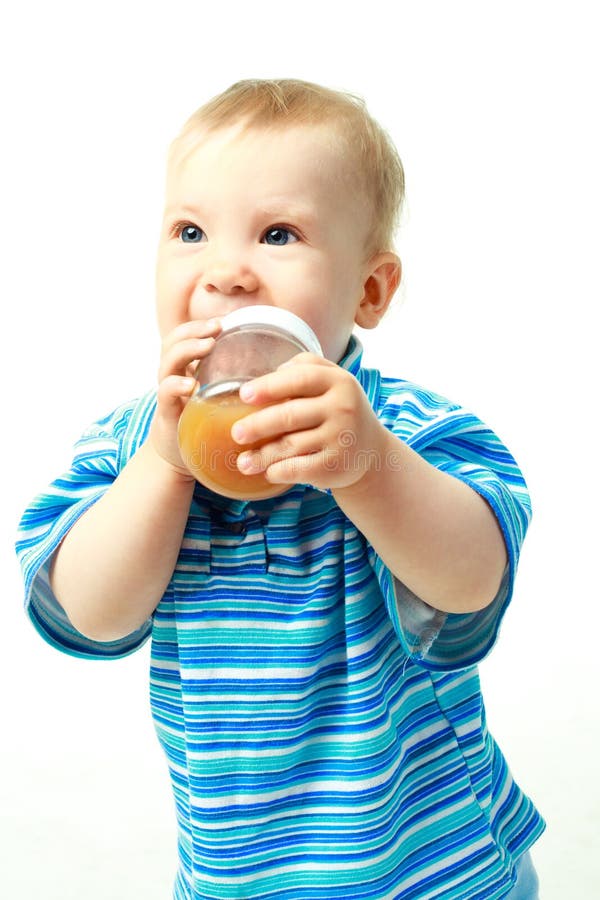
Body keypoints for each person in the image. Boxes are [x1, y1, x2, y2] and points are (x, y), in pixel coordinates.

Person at [16, 79, 544, 898]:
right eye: (190, 232)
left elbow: (472, 580)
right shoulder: (131, 447)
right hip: (239, 874)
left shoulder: (408, 432)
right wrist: (165, 465)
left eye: (278, 234)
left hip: (436, 867)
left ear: (368, 290)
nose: (227, 272)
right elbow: (89, 612)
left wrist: (367, 466)